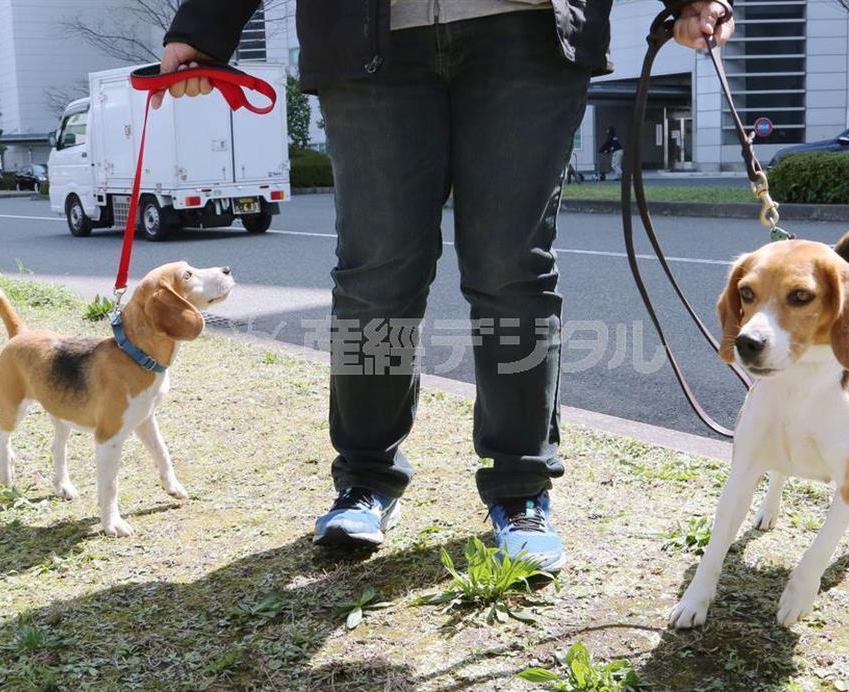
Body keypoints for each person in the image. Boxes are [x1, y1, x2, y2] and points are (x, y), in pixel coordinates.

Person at [159, 0, 734, 571]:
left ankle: (520, 489)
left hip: (525, 32)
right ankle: (365, 480)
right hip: (365, 37)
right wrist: (205, 23)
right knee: (376, 278)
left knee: (512, 273)